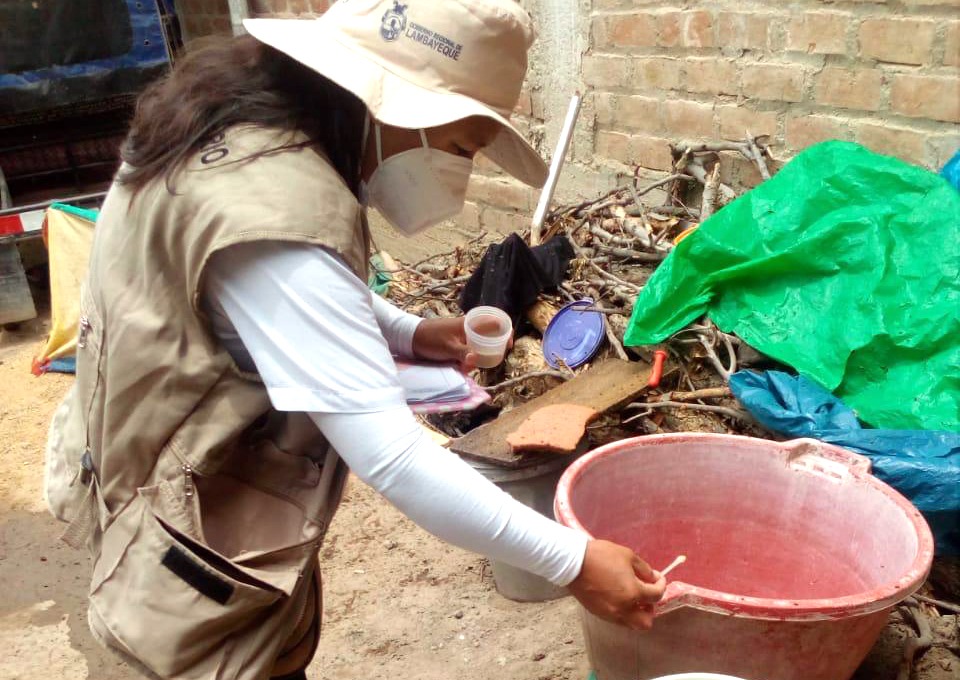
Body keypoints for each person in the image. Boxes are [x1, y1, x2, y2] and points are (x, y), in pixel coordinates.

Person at [46, 1, 665, 678]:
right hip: (186, 544)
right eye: (459, 149)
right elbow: (392, 457)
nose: (457, 180)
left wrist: (410, 331)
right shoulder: (273, 206)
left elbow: (292, 280)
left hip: (171, 476)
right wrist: (571, 560)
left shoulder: (234, 134)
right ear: (392, 107)